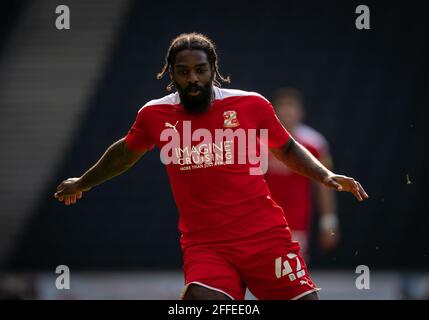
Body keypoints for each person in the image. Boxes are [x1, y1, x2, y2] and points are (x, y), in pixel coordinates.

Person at [54, 33, 368, 300]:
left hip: (265, 238)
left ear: (213, 69)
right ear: (171, 74)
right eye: (183, 71)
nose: (193, 78)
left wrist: (325, 175)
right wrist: (83, 181)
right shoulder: (154, 115)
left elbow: (286, 148)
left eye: (200, 69)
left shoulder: (251, 105)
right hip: (207, 246)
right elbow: (124, 153)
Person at [264, 88, 339, 260]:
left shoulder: (315, 144)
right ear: (273, 110)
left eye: (291, 106)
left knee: (293, 270)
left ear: (301, 111)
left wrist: (329, 222)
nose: (287, 111)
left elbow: (325, 185)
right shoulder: (260, 140)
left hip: (297, 219)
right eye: (282, 106)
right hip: (263, 220)